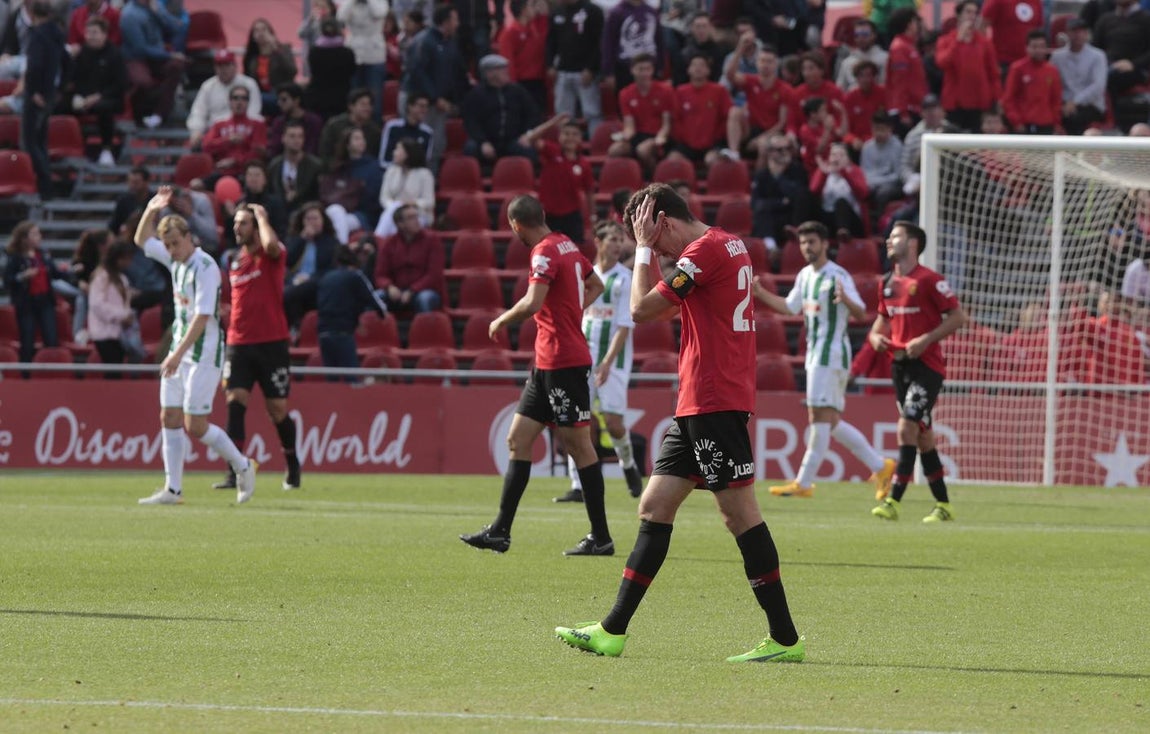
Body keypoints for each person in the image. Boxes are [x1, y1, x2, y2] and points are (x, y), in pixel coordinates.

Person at [554, 183, 805, 662]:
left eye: (651, 236)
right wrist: (651, 253)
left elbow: (640, 309)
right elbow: (668, 304)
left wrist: (645, 251)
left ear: (663, 221)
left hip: (714, 399)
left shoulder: (704, 251)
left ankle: (785, 639)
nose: (659, 253)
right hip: (699, 401)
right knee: (654, 504)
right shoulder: (729, 245)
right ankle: (612, 631)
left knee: (739, 514)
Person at [460, 194, 612, 556]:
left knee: (578, 446)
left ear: (516, 226)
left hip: (564, 362)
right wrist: (570, 311)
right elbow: (596, 286)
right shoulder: (566, 244)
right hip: (547, 363)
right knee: (518, 438)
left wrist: (500, 320)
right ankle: (500, 531)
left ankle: (600, 536)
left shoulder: (544, 251)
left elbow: (533, 301)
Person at [752, 221, 896, 499]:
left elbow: (860, 312)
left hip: (831, 355)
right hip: (815, 355)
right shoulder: (805, 275)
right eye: (803, 243)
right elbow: (790, 307)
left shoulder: (837, 276)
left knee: (819, 417)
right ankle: (880, 466)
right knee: (828, 420)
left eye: (812, 242)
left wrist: (846, 301)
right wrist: (761, 294)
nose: (807, 247)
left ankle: (804, 482)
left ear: (825, 244)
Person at [132, 186, 258, 506]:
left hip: (203, 353)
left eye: (176, 243)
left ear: (189, 237)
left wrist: (174, 355)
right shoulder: (175, 260)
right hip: (179, 350)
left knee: (195, 425)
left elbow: (202, 317)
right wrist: (152, 207)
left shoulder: (206, 267)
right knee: (168, 418)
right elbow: (141, 240)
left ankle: (242, 465)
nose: (172, 250)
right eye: (168, 245)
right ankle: (173, 489)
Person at [869, 221, 968, 523]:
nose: (889, 240)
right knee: (923, 437)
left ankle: (893, 501)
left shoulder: (929, 280)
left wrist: (925, 340)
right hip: (899, 367)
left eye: (896, 236)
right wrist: (875, 339)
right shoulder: (885, 282)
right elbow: (879, 324)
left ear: (912, 244)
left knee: (906, 427)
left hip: (927, 367)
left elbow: (957, 316)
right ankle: (944, 505)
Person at [213, 201, 301, 493]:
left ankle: (292, 464)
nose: (237, 228)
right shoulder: (234, 260)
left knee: (277, 410)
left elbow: (272, 245)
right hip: (238, 343)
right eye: (236, 223)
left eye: (244, 223)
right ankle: (234, 471)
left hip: (272, 343)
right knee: (234, 402)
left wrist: (263, 215)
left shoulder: (271, 255)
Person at [555, 220, 644, 503]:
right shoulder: (584, 276)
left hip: (613, 362)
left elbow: (624, 326)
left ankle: (628, 464)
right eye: (613, 239)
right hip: (581, 358)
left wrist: (606, 362)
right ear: (598, 241)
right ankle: (577, 485)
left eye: (621, 240)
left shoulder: (623, 278)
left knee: (614, 423)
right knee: (576, 421)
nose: (618, 245)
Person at [402, 4, 468, 167]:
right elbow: (417, 72)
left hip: (440, 103)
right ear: (445, 22)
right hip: (420, 102)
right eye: (455, 20)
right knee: (417, 145)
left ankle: (429, 182)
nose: (458, 24)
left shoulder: (450, 42)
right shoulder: (424, 41)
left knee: (436, 145)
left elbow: (456, 71)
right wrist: (434, 97)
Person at [316, 244, 387, 379]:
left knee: (331, 381)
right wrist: (382, 314)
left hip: (323, 333)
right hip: (342, 332)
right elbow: (373, 299)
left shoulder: (325, 278)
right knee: (352, 379)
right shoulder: (355, 276)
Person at [66, 16, 127, 167]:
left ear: (104, 34)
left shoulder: (115, 54)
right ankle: (72, 147)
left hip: (110, 97)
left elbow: (121, 84)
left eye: (94, 33)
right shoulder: (81, 53)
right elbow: (74, 79)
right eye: (88, 33)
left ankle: (107, 149)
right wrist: (80, 96)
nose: (90, 36)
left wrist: (98, 96)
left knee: (103, 108)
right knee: (61, 105)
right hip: (84, 98)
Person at [21, 0, 66, 200]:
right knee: (41, 141)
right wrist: (61, 88)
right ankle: (47, 186)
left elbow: (35, 67)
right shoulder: (57, 34)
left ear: (31, 14)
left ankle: (45, 186)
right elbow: (68, 62)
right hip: (49, 94)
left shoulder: (38, 35)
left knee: (31, 142)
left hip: (37, 96)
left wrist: (33, 92)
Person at [935, 0, 1000, 134]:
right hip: (955, 103)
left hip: (979, 103)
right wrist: (958, 41)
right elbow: (942, 63)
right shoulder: (946, 40)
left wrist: (997, 98)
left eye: (975, 13)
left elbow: (993, 73)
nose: (972, 16)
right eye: (968, 12)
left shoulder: (984, 42)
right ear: (959, 15)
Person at [461, 54, 540, 164]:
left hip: (513, 139)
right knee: (470, 148)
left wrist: (527, 134)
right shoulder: (475, 95)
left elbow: (533, 114)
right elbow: (471, 122)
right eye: (502, 69)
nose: (506, 71)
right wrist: (483, 141)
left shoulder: (518, 91)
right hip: (486, 140)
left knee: (528, 151)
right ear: (489, 73)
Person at [723, 39, 792, 163]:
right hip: (751, 128)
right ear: (757, 63)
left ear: (776, 64)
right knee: (734, 111)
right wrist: (739, 50)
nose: (765, 65)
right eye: (762, 61)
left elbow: (782, 123)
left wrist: (763, 137)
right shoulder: (751, 81)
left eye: (769, 61)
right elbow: (730, 75)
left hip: (772, 132)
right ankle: (733, 153)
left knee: (763, 145)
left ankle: (758, 180)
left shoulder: (785, 89)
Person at [3, 221, 63, 363]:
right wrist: (22, 276)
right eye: (35, 234)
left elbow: (56, 274)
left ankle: (52, 371)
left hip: (45, 301)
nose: (39, 237)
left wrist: (74, 271)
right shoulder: (15, 258)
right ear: (24, 238)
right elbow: (8, 280)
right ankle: (26, 374)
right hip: (26, 303)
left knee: (51, 339)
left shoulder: (43, 255)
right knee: (27, 340)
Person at [120, 0, 185, 128]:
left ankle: (159, 114)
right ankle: (138, 115)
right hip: (136, 58)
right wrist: (169, 55)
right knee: (143, 82)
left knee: (177, 66)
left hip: (157, 56)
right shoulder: (129, 14)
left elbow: (177, 29)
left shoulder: (156, 6)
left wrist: (159, 14)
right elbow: (140, 49)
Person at [609, 53, 676, 173]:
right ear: (632, 70)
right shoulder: (625, 93)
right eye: (640, 69)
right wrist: (623, 136)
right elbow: (629, 126)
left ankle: (656, 178)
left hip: (658, 136)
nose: (644, 73)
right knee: (614, 150)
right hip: (637, 135)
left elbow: (666, 124)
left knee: (643, 150)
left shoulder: (665, 90)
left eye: (648, 69)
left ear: (652, 70)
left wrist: (659, 139)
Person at [372, 203, 444, 312]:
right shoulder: (389, 243)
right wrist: (389, 287)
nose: (417, 221)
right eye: (411, 218)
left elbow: (434, 275)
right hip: (397, 290)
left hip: (424, 290)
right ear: (400, 224)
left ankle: (425, 328)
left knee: (425, 299)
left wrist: (412, 290)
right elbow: (380, 274)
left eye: (417, 216)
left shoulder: (432, 240)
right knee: (375, 297)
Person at [547, 0, 604, 134]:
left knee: (592, 112)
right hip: (563, 70)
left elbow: (599, 43)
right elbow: (551, 41)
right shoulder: (557, 12)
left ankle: (596, 143)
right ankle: (564, 145)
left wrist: (591, 68)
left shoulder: (592, 10)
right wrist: (550, 64)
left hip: (585, 72)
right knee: (562, 114)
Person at [187, 50, 262, 148]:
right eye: (220, 66)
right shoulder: (208, 86)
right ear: (215, 68)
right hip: (216, 134)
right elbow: (198, 112)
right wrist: (196, 131)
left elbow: (254, 112)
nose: (223, 69)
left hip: (243, 131)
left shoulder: (248, 84)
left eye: (227, 65)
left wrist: (237, 129)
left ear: (235, 66)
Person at [322, 126, 383, 244]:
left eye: (362, 138)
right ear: (347, 144)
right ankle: (340, 250)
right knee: (335, 212)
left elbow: (373, 196)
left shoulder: (373, 166)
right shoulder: (339, 166)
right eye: (356, 138)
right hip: (338, 209)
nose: (361, 141)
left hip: (361, 214)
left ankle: (341, 251)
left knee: (336, 216)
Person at [671, 53, 731, 168]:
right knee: (672, 162)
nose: (698, 68)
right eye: (694, 65)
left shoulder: (719, 91)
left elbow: (726, 117)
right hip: (686, 144)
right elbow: (675, 119)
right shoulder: (680, 91)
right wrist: (683, 139)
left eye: (702, 65)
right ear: (688, 70)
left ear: (708, 71)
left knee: (713, 161)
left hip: (712, 144)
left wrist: (717, 137)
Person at [284, 202, 338, 329]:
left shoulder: (331, 243)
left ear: (323, 221)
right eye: (308, 219)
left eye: (315, 218)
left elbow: (329, 268)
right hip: (294, 280)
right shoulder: (295, 239)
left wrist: (309, 278)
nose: (312, 222)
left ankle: (296, 328)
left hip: (317, 281)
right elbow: (287, 260)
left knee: (290, 294)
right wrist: (302, 239)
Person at [1050, 18, 1107, 136]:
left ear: (1087, 34)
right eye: (1074, 31)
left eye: (1081, 31)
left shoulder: (1098, 56)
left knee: (1074, 118)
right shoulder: (1057, 57)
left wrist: (1075, 102)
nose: (1077, 35)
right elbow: (1054, 83)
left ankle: (1077, 152)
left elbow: (1098, 86)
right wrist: (1065, 103)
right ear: (1067, 33)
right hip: (1064, 103)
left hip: (1091, 104)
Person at [87, 240, 137, 372]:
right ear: (118, 258)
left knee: (117, 369)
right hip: (103, 333)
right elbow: (96, 304)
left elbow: (124, 304)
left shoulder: (122, 279)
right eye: (126, 259)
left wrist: (127, 316)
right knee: (112, 370)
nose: (129, 263)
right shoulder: (101, 277)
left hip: (118, 332)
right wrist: (121, 316)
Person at [200, 85, 268, 181]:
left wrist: (235, 161)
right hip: (221, 173)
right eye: (235, 98)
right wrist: (227, 140)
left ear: (248, 102)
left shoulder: (258, 125)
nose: (239, 102)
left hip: (246, 174)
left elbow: (258, 152)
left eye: (244, 98)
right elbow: (206, 146)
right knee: (196, 184)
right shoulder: (219, 124)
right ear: (229, 101)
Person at [1002, 30, 1061, 135]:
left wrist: (1056, 122)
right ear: (1027, 48)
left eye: (1041, 46)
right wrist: (1016, 122)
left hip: (1046, 124)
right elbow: (1009, 99)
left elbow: (1055, 99)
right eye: (1034, 46)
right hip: (1024, 125)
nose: (1038, 50)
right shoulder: (1017, 69)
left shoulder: (1052, 70)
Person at [337, 0, 388, 120]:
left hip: (375, 55)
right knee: (354, 96)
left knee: (375, 98)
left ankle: (374, 130)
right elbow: (341, 16)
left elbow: (379, 12)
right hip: (354, 53)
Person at [375, 137, 435, 238]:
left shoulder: (424, 174)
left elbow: (429, 201)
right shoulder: (391, 171)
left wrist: (412, 203)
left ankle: (378, 239)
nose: (394, 152)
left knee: (397, 216)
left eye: (398, 149)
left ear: (408, 153)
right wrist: (396, 207)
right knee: (395, 211)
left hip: (418, 214)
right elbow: (384, 198)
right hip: (393, 212)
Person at [810, 143, 868, 239]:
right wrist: (823, 174)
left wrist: (843, 172)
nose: (837, 158)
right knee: (804, 195)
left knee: (840, 202)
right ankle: (798, 229)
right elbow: (813, 191)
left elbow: (863, 194)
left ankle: (843, 233)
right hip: (828, 217)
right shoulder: (824, 171)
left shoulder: (855, 170)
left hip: (850, 220)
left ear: (848, 159)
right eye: (833, 155)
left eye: (841, 155)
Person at [267, 119, 324, 216]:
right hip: (280, 213)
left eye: (300, 136)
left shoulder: (315, 166)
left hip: (306, 212)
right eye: (292, 136)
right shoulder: (275, 165)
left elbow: (319, 195)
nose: (296, 140)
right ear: (283, 138)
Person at [304, 17, 357, 120]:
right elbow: (352, 71)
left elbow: (313, 71)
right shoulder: (347, 53)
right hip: (341, 99)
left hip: (317, 99)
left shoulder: (314, 51)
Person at [601, 0, 662, 89]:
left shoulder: (651, 12)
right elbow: (608, 43)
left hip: (650, 67)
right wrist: (608, 71)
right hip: (624, 68)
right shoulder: (617, 12)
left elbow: (659, 41)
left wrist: (660, 65)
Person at [243, 18, 297, 116]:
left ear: (271, 33)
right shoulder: (252, 56)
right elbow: (247, 78)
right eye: (256, 30)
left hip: (280, 93)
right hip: (259, 94)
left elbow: (292, 71)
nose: (260, 33)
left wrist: (276, 49)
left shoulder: (283, 50)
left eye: (264, 29)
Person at [885, 9, 927, 133]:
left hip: (914, 107)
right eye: (915, 22)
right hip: (906, 110)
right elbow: (899, 81)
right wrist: (903, 112)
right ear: (909, 24)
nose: (918, 26)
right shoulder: (899, 48)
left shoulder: (909, 46)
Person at [318, 87, 382, 161]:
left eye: (369, 104)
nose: (367, 108)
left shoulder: (375, 131)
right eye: (363, 104)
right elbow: (325, 153)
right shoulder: (334, 125)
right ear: (351, 106)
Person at [980, 0, 1042, 74]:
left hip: (1029, 63)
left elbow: (1037, 32)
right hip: (1003, 62)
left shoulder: (1036, 2)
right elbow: (982, 27)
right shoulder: (996, 1)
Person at [266, 83, 324, 159]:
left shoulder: (314, 121)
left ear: (296, 100)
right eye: (279, 100)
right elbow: (274, 149)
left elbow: (314, 148)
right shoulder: (278, 122)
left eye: (284, 100)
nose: (279, 103)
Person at [378, 94, 433, 169]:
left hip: (415, 175)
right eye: (421, 106)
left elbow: (425, 162)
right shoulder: (392, 127)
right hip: (392, 172)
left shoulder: (428, 133)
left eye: (426, 107)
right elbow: (383, 160)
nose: (424, 110)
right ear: (410, 106)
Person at [836, 18, 887, 91]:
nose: (861, 38)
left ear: (874, 35)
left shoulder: (885, 59)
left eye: (865, 34)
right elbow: (840, 89)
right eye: (857, 35)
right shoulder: (847, 62)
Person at [110, 166, 152, 236]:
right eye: (130, 182)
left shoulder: (155, 200)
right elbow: (114, 225)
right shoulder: (123, 201)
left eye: (136, 182)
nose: (132, 185)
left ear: (146, 182)